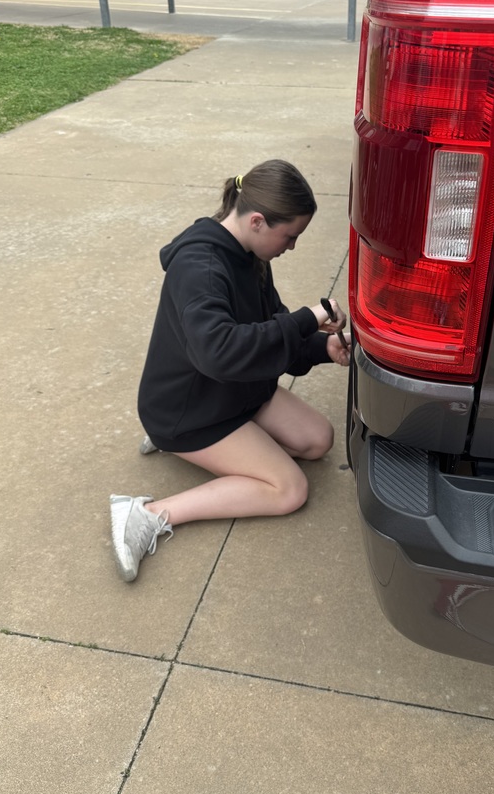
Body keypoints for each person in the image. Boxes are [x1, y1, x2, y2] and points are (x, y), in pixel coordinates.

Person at [110, 159, 351, 582]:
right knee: (288, 490)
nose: (291, 246)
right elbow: (219, 352)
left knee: (317, 441)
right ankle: (144, 514)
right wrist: (305, 319)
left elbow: (268, 327)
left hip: (235, 391)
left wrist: (322, 346)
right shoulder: (199, 267)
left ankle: (229, 450)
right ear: (257, 220)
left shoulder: (251, 253)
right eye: (289, 236)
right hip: (189, 410)